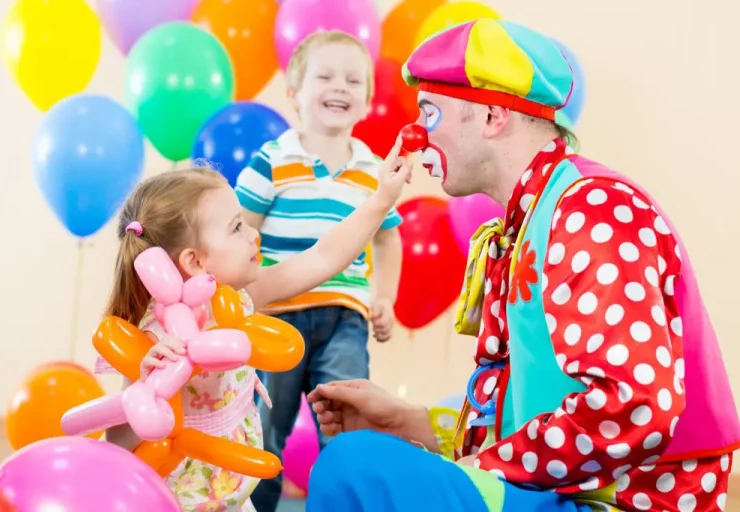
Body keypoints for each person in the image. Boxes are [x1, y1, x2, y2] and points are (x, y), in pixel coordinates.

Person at [304, 18, 740, 512]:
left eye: (429, 113)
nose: (415, 136)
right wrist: (414, 422)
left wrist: (473, 470)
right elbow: (532, 403)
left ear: (492, 116)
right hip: (573, 493)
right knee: (368, 455)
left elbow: (633, 405)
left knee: (355, 467)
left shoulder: (590, 209)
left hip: (621, 503)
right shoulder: (535, 217)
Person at [95, 147, 411, 512]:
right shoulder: (157, 336)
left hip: (231, 488)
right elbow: (118, 443)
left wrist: (382, 198)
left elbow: (323, 257)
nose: (253, 235)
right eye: (237, 227)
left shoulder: (238, 300)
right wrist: (149, 386)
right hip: (176, 497)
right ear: (194, 262)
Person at [235, 31, 403, 511]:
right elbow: (241, 230)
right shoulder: (273, 159)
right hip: (276, 318)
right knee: (266, 431)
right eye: (325, 76)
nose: (341, 87)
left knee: (349, 425)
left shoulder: (373, 170)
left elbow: (388, 236)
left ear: (367, 101)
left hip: (344, 317)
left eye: (354, 80)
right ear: (294, 95)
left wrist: (383, 297)